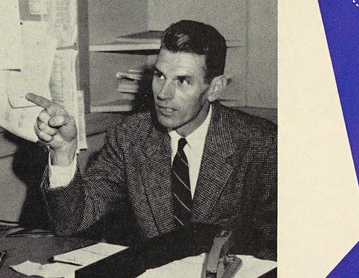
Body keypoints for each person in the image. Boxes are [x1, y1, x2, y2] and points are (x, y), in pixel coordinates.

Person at [29, 19, 276, 258]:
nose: (163, 94)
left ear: (214, 88)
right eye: (160, 76)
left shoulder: (261, 144)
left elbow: (276, 248)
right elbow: (70, 223)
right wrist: (63, 152)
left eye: (183, 81)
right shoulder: (129, 138)